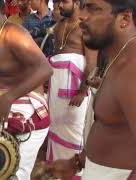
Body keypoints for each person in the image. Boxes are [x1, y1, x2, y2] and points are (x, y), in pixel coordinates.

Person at [49, 0, 136, 179]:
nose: (82, 16)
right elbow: (114, 129)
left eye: (93, 9)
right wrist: (79, 161)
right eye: (83, 7)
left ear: (125, 19)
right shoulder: (119, 58)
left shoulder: (132, 68)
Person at [0, 0, 53, 179]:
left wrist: (8, 98)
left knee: (14, 175)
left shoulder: (14, 34)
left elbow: (46, 69)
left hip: (30, 117)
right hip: (5, 107)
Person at [46, 0, 98, 178]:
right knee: (55, 125)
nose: (59, 5)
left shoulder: (85, 27)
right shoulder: (59, 24)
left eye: (64, 1)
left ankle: (74, 173)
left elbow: (91, 62)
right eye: (57, 1)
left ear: (77, 2)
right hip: (56, 86)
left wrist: (82, 91)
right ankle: (56, 169)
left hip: (76, 90)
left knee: (74, 129)